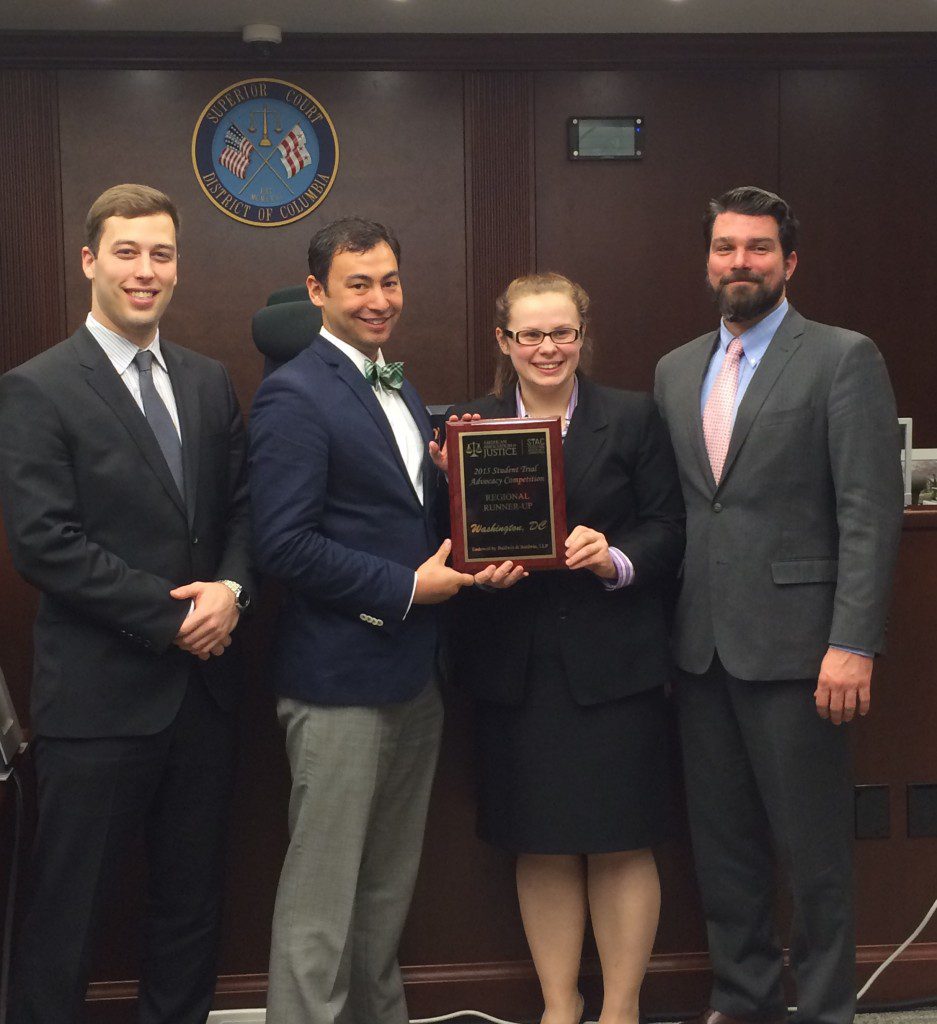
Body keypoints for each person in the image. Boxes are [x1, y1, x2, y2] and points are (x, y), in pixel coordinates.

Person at [0, 183, 254, 1024]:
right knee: (67, 917)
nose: (146, 271)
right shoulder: (38, 387)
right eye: (127, 251)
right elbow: (44, 542)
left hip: (204, 703)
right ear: (90, 261)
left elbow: (243, 511)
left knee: (190, 909)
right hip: (100, 703)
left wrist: (232, 588)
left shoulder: (210, 383)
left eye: (162, 254)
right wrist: (172, 616)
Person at [654, 186, 904, 1024]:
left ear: (788, 262)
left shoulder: (840, 357)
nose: (740, 263)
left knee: (815, 857)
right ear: (707, 259)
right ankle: (745, 998)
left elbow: (869, 514)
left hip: (803, 653)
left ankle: (828, 1007)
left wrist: (854, 643)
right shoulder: (675, 368)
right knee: (723, 852)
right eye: (725, 247)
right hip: (699, 651)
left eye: (758, 249)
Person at [438, 272, 685, 1024]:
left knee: (619, 840)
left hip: (614, 665)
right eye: (530, 335)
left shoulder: (635, 418)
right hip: (514, 666)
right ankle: (558, 1005)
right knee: (538, 841)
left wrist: (613, 558)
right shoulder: (463, 427)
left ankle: (619, 1009)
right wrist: (471, 555)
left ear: (582, 335)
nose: (547, 349)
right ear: (503, 342)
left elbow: (669, 529)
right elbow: (440, 545)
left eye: (562, 333)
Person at [248, 217, 474, 1024]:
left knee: (382, 895)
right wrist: (406, 588)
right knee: (321, 905)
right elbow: (282, 544)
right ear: (316, 293)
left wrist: (448, 482)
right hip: (338, 683)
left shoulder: (395, 382)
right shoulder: (292, 393)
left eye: (389, 282)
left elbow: (391, 511)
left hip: (412, 678)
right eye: (357, 284)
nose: (379, 301)